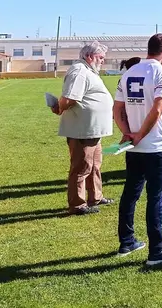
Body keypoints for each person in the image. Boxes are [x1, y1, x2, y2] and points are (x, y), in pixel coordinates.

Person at [113, 33, 162, 265]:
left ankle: (127, 241)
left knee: (130, 194)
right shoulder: (161, 73)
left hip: (134, 148)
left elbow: (117, 109)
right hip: (156, 146)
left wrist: (127, 133)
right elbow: (156, 110)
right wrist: (139, 136)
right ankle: (157, 249)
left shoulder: (128, 73)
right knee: (156, 197)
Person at [52, 41, 115, 215]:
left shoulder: (88, 71)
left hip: (92, 129)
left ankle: (95, 196)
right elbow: (69, 97)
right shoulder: (79, 71)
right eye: (100, 57)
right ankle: (77, 204)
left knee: (95, 165)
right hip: (82, 129)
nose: (102, 61)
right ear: (89, 56)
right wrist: (59, 108)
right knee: (82, 167)